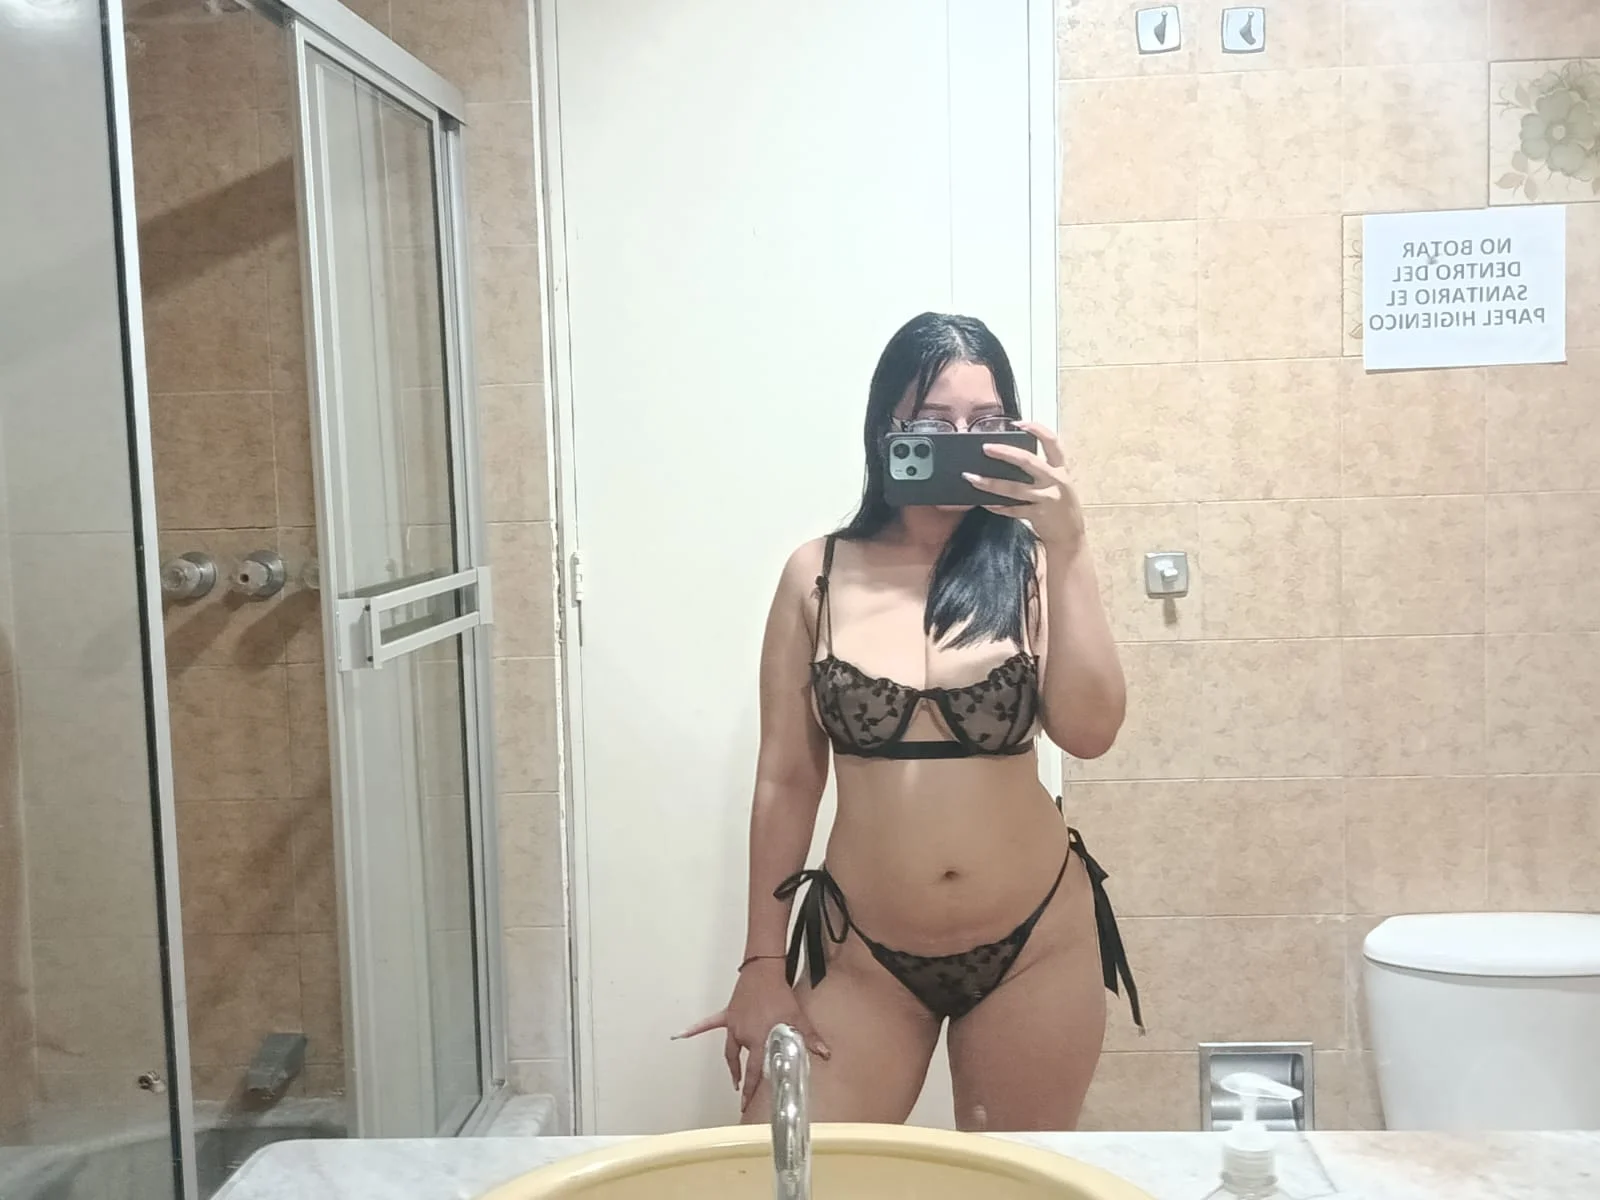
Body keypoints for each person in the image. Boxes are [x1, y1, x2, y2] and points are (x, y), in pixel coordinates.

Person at [678, 312, 1140, 1131]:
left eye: (986, 422)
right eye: (933, 422)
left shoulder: (1034, 566)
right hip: (865, 955)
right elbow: (786, 779)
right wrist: (761, 962)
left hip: (1035, 943)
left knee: (1008, 1186)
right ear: (886, 430)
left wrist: (1070, 547)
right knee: (789, 1168)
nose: (962, 441)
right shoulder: (816, 575)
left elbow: (1091, 732)